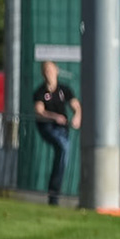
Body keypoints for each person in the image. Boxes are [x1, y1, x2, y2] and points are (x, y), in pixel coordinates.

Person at [30, 60, 81, 206]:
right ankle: (54, 192)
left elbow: (76, 106)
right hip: (48, 128)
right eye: (46, 71)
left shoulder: (64, 90)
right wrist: (54, 117)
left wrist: (77, 117)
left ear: (57, 71)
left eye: (51, 70)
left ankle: (54, 194)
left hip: (62, 130)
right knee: (64, 147)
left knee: (62, 156)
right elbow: (39, 111)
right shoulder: (40, 92)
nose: (49, 74)